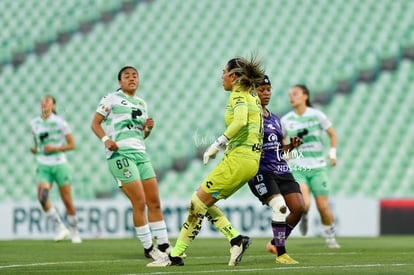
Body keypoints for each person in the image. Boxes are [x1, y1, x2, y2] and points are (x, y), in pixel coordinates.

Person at [147, 56, 265, 267]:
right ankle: (236, 240)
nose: (222, 77)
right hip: (247, 159)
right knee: (204, 201)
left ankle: (175, 256)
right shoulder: (252, 95)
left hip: (239, 159)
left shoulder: (238, 94)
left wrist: (216, 144)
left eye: (223, 72)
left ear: (234, 76)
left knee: (197, 203)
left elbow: (240, 122)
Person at [91, 66, 173, 261]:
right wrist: (106, 140)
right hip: (120, 154)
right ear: (120, 81)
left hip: (141, 154)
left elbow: (140, 135)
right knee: (139, 201)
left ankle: (163, 244)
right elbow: (95, 124)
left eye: (135, 75)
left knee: (154, 201)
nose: (131, 78)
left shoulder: (141, 103)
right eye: (126, 76)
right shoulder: (111, 98)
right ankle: (148, 248)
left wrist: (148, 130)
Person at [247, 75, 305, 264]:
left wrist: (291, 146)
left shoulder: (275, 119)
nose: (266, 93)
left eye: (268, 89)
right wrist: (252, 152)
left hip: (281, 169)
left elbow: (280, 150)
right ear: (253, 92)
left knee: (298, 208)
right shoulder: (249, 117)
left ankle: (275, 242)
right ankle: (281, 253)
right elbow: (239, 144)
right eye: (262, 90)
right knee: (280, 206)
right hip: (262, 172)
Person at [280, 84, 340, 248]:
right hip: (298, 168)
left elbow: (332, 135)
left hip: (318, 167)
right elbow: (283, 144)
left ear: (305, 96)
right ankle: (304, 215)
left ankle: (330, 237)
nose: (291, 97)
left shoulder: (317, 115)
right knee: (304, 204)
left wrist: (332, 153)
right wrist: (287, 153)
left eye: (295, 94)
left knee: (322, 206)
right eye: (290, 95)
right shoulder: (286, 120)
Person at [29, 95, 82, 244]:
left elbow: (72, 145)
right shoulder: (34, 123)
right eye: (42, 101)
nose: (44, 103)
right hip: (43, 164)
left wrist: (55, 148)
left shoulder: (60, 123)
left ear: (53, 105)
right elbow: (38, 144)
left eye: (48, 101)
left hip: (59, 163)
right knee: (42, 197)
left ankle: (74, 231)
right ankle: (60, 227)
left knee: (67, 200)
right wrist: (36, 150)